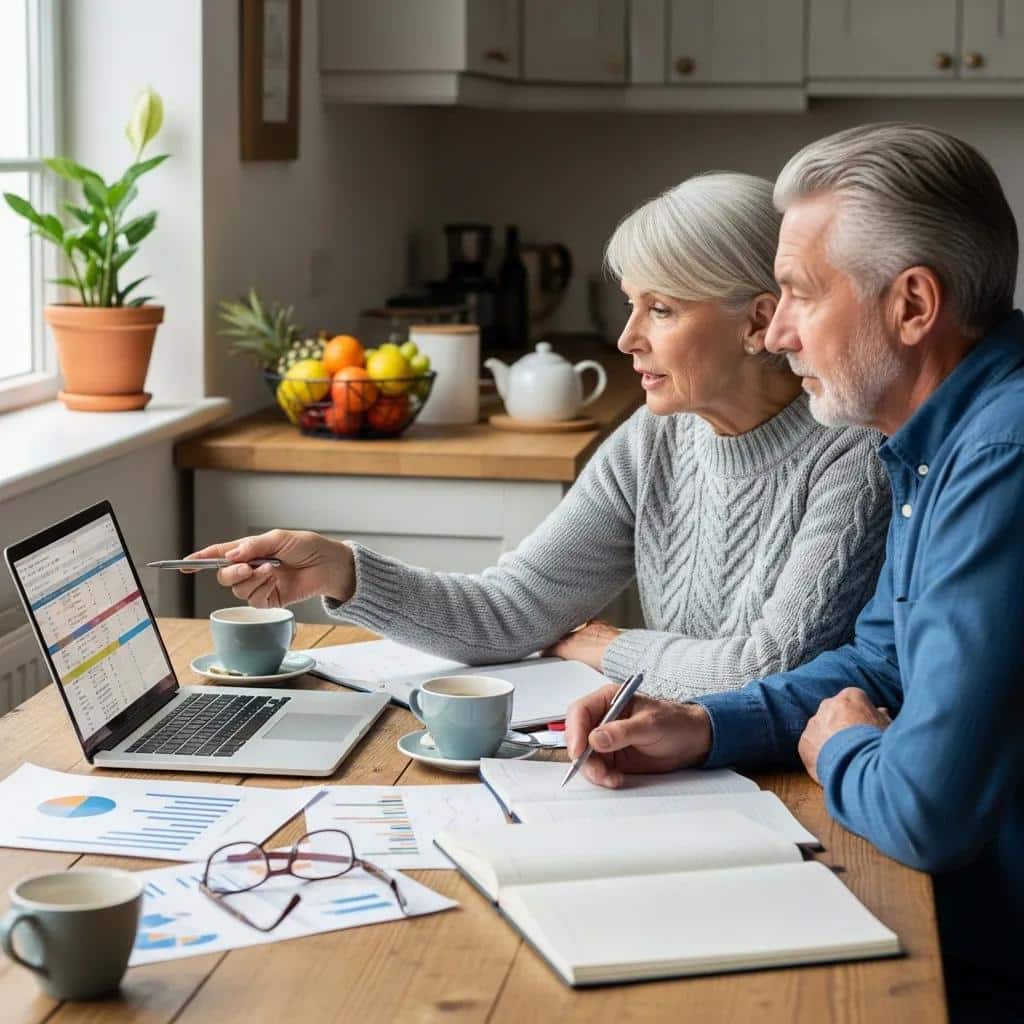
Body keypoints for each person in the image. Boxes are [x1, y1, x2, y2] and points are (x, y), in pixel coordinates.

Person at [565, 124, 1024, 1021]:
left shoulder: (1002, 456)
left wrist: (840, 746)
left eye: (800, 297)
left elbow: (928, 810)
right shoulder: (934, 441)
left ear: (913, 305)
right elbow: (880, 666)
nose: (774, 333)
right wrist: (701, 725)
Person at [193, 173, 889, 701]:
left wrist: (608, 647)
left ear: (758, 321)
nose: (627, 339)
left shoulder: (854, 456)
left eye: (662, 309)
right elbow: (509, 611)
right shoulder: (654, 440)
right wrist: (341, 569)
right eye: (630, 306)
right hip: (676, 760)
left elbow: (765, 670)